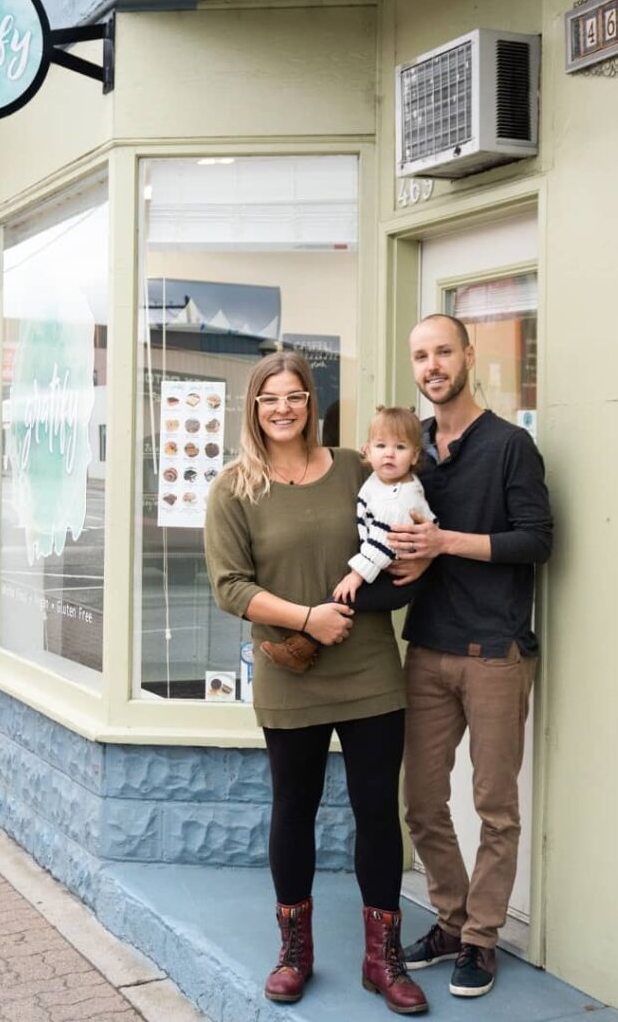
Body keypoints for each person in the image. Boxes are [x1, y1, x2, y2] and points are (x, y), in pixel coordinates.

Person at [204, 352, 428, 1014]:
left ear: (311, 401)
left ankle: (381, 959)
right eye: (269, 398)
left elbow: (400, 533)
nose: (282, 408)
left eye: (294, 396)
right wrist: (308, 617)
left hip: (368, 671)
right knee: (293, 810)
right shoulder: (234, 489)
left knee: (375, 813)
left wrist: (416, 559)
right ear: (254, 406)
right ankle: (294, 952)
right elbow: (230, 587)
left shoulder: (356, 469)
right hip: (289, 670)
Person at [386, 313, 553, 999]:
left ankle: (482, 940)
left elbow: (536, 541)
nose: (432, 366)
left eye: (443, 352)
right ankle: (450, 920)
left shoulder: (512, 446)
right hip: (426, 646)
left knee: (494, 807)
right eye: (421, 355)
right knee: (422, 804)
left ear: (469, 356)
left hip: (494, 652)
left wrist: (447, 542)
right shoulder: (415, 447)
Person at [259, 405, 436, 673]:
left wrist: (356, 575)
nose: (389, 453)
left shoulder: (398, 498)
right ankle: (305, 646)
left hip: (396, 576)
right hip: (387, 563)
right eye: (380, 445)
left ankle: (299, 649)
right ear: (367, 450)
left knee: (344, 598)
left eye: (400, 447)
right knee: (342, 598)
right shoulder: (380, 480)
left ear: (414, 456)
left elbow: (380, 545)